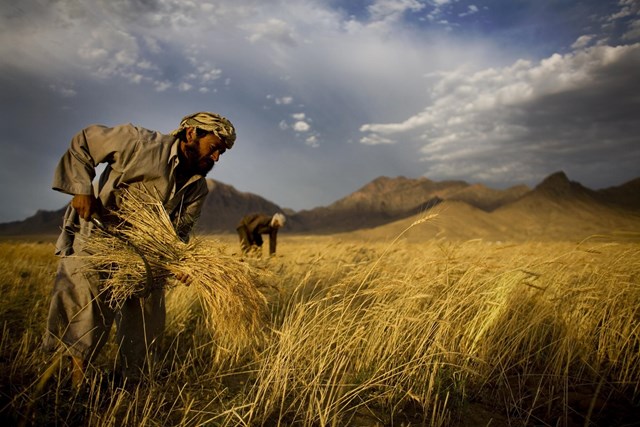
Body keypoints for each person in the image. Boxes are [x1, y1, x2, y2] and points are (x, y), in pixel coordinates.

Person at [44, 112, 236, 386]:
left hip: (147, 254)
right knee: (85, 311)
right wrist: (81, 190)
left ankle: (131, 380)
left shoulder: (197, 188)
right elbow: (84, 141)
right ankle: (75, 384)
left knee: (147, 318)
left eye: (221, 153)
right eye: (214, 148)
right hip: (99, 239)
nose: (216, 158)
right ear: (192, 134)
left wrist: (180, 262)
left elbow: (179, 233)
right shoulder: (139, 143)